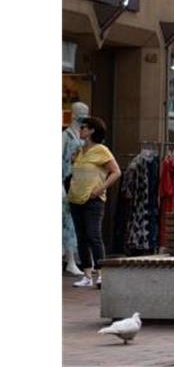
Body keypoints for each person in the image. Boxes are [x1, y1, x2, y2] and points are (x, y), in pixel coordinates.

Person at [67, 116, 121, 289]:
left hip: (93, 200)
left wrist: (100, 189)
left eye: (83, 127)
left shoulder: (102, 150)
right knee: (81, 238)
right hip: (75, 199)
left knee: (93, 236)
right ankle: (87, 275)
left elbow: (116, 172)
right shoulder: (80, 151)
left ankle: (101, 274)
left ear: (91, 130)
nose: (80, 130)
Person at [62, 105, 85, 277]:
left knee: (75, 222)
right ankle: (70, 260)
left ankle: (73, 258)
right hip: (66, 182)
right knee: (67, 222)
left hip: (79, 183)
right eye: (82, 113)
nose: (84, 116)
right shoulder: (65, 136)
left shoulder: (82, 136)